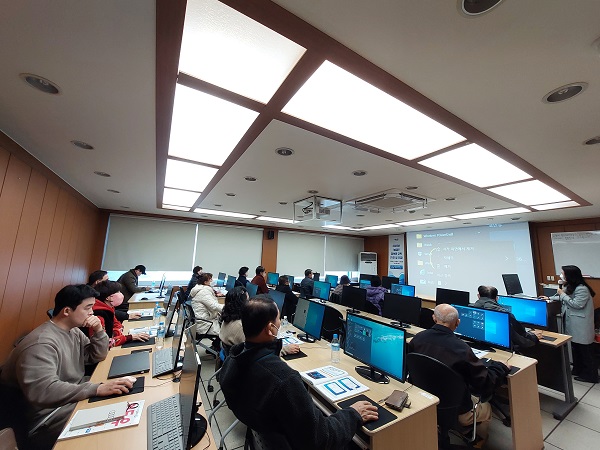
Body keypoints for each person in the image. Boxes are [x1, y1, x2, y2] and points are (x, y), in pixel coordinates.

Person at [219, 295, 378, 449]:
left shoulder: (233, 361)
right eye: (278, 319)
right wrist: (353, 414)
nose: (280, 323)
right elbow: (321, 439)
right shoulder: (284, 380)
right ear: (270, 328)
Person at [0, 285, 135, 450]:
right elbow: (45, 391)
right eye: (87, 308)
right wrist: (96, 389)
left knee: (125, 403)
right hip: (48, 418)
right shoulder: (41, 344)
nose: (92, 313)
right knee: (118, 423)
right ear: (66, 311)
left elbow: (96, 356)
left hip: (70, 399)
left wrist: (99, 330)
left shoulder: (73, 331)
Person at [408, 304, 509, 443]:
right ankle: (478, 441)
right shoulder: (461, 349)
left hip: (425, 401)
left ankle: (454, 429)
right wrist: (500, 367)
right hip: (457, 409)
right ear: (458, 323)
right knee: (486, 408)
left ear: (434, 318)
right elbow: (484, 383)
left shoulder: (417, 339)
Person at [545, 265, 598, 382]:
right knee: (576, 349)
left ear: (570, 275)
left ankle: (591, 375)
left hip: (581, 325)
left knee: (585, 351)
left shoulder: (582, 289)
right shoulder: (571, 286)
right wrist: (548, 298)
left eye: (563, 273)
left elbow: (577, 304)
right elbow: (562, 297)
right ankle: (578, 370)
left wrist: (562, 294)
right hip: (574, 324)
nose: (561, 275)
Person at [220, 290, 300, 356]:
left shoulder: (229, 318)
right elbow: (257, 354)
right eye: (248, 300)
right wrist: (285, 349)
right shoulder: (240, 326)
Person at [473, 285, 541, 350]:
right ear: (497, 298)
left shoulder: (471, 309)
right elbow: (519, 337)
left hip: (482, 346)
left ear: (478, 296)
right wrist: (534, 337)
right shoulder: (504, 314)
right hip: (504, 349)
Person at [90, 280, 150, 347]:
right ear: (108, 298)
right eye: (118, 292)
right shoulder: (98, 315)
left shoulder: (109, 308)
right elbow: (105, 343)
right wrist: (129, 337)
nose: (121, 294)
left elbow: (117, 324)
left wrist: (117, 333)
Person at [189, 272, 224, 336]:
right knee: (229, 330)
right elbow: (214, 306)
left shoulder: (200, 289)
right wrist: (230, 308)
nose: (212, 281)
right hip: (205, 324)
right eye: (210, 279)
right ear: (205, 282)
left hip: (205, 320)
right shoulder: (203, 292)